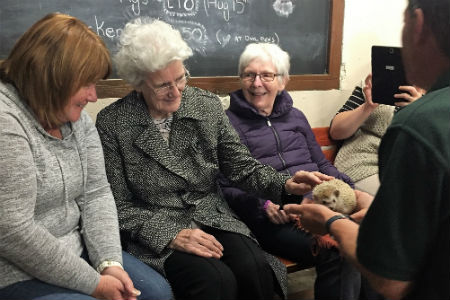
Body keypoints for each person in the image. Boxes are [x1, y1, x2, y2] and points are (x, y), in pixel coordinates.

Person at [95, 18, 329, 300]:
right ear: (138, 83)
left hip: (212, 215)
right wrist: (170, 235)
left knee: (254, 267)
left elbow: (241, 166)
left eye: (181, 77)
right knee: (214, 281)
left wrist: (287, 185)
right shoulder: (113, 123)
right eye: (162, 85)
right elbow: (116, 205)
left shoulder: (204, 105)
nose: (176, 90)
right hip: (157, 227)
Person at [0, 13, 172, 300]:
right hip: (16, 271)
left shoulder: (75, 119)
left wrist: (109, 263)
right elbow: (12, 230)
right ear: (52, 79)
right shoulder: (7, 120)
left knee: (157, 293)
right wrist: (94, 284)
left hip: (76, 251)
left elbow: (96, 193)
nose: (93, 96)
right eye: (86, 84)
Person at [285, 0, 449, 299]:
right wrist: (368, 105)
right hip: (360, 168)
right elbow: (337, 130)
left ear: (419, 25)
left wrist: (331, 222)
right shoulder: (375, 88)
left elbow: (390, 278)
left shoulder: (420, 124)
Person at [220, 42, 368, 300]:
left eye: (267, 75)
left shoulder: (296, 116)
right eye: (249, 75)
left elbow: (322, 165)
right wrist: (262, 204)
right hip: (275, 217)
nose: (257, 83)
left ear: (283, 81)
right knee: (338, 250)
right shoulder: (225, 123)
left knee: (373, 236)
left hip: (320, 202)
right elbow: (225, 185)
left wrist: (349, 189)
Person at [329, 73, 424, 195]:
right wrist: (368, 106)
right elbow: (336, 132)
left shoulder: (442, 94)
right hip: (364, 164)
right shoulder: (375, 83)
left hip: (416, 169)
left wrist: (422, 110)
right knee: (404, 200)